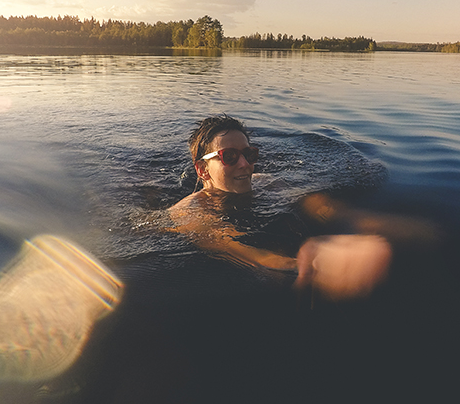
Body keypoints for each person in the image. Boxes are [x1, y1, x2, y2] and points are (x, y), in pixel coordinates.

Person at [169, 114, 394, 300]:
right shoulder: (188, 212)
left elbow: (322, 208)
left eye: (249, 154)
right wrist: (311, 264)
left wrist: (383, 231)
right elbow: (242, 250)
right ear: (202, 170)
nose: (245, 164)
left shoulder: (265, 181)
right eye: (229, 156)